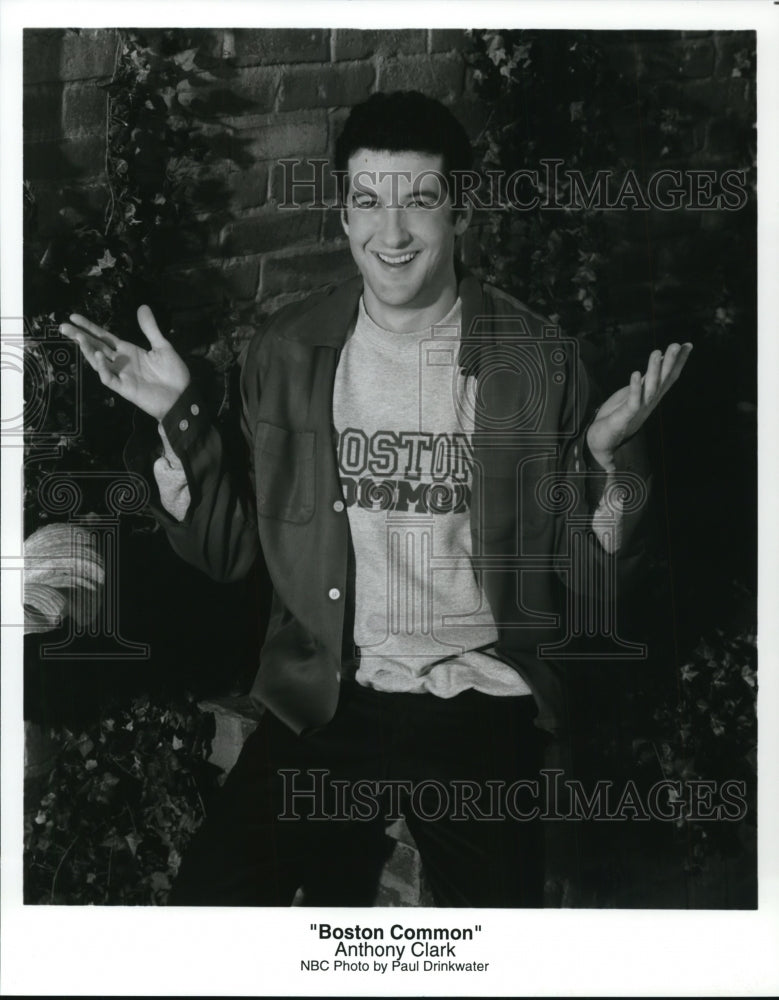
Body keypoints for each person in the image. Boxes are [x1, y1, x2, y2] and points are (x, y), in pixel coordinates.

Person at [61, 90, 692, 907]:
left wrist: (607, 461)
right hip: (327, 697)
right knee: (204, 915)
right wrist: (181, 423)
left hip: (477, 694)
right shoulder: (288, 352)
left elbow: (593, 585)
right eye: (367, 202)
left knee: (495, 949)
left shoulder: (534, 358)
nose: (390, 235)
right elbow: (227, 556)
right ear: (342, 212)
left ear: (459, 211)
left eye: (419, 201)